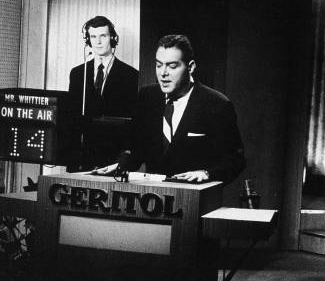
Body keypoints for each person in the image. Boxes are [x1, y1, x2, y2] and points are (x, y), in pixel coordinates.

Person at [97, 34, 245, 184]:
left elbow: (235, 160)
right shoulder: (147, 97)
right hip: (152, 198)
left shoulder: (217, 104)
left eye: (172, 66)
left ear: (191, 67)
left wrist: (207, 174)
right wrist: (121, 166)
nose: (163, 73)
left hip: (195, 199)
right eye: (159, 65)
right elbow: (136, 149)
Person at [67, 16, 138, 170]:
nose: (98, 42)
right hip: (82, 157)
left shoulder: (131, 76)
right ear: (88, 40)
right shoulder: (78, 73)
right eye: (93, 37)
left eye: (103, 36)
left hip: (113, 158)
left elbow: (133, 122)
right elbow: (72, 116)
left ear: (113, 38)